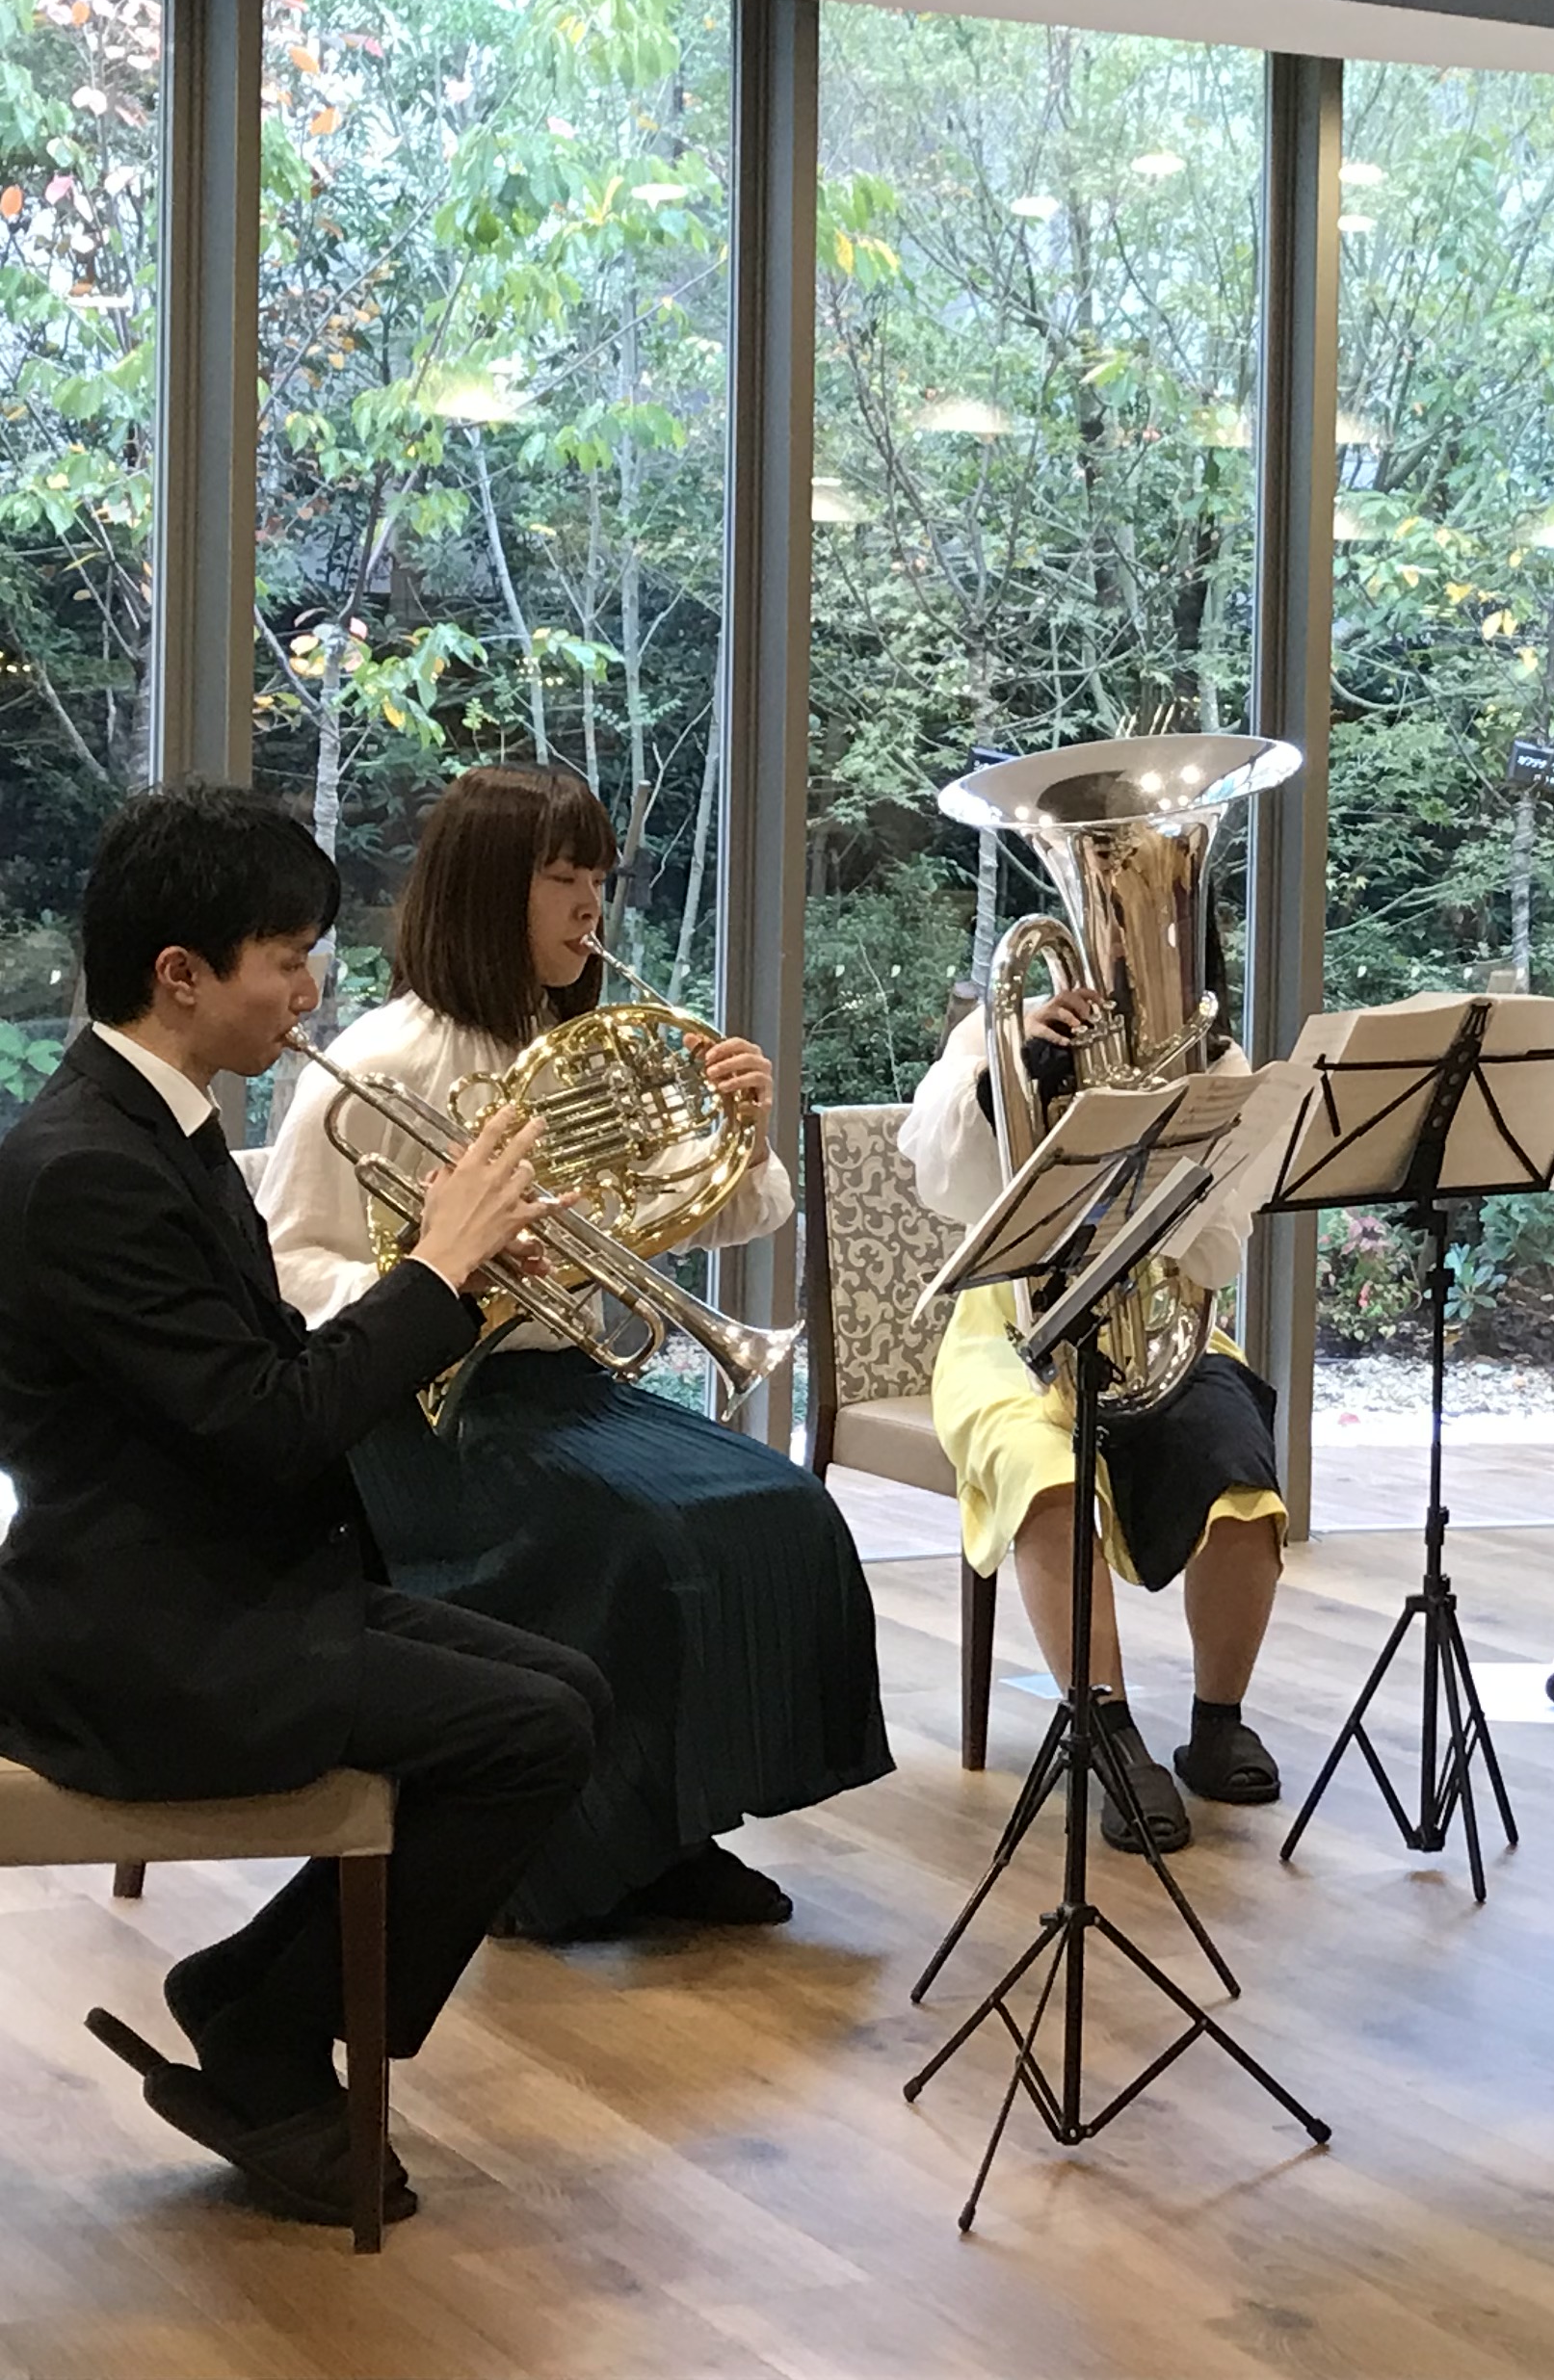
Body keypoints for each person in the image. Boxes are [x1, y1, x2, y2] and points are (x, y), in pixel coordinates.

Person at [0, 783, 605, 2229]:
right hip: (141, 1637)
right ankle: (270, 2040)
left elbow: (263, 1377)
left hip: (221, 1586)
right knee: (531, 1733)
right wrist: (434, 1273)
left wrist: (457, 1285)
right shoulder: (86, 1170)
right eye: (286, 960)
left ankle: (248, 1996)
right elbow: (271, 1428)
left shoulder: (160, 1126)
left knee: (571, 1691)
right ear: (181, 975)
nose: (311, 991)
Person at [259, 764, 889, 1938]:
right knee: (641, 1540)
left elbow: (737, 1215)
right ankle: (570, 1854)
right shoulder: (387, 1056)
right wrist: (442, 1275)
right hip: (429, 1411)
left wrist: (741, 1131)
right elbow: (286, 1266)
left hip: (568, 1390)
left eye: (599, 875)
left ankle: (673, 1828)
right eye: (561, 877)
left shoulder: (586, 1047)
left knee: (784, 1508)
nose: (591, 904)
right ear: (488, 888)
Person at [903, 978, 1284, 1854]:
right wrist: (1011, 1073)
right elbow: (942, 1181)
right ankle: (1106, 1730)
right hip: (1009, 1326)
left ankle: (1218, 1721)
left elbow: (1222, 1244)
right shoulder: (997, 1031)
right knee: (1048, 1472)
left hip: (1159, 1316)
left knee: (1237, 1458)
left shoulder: (1215, 1058)